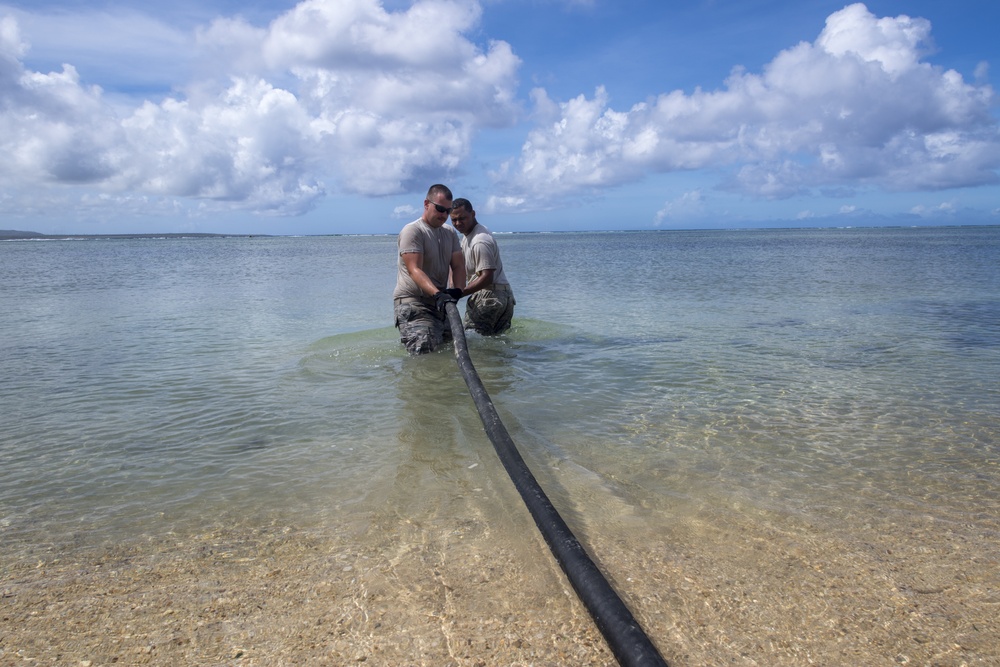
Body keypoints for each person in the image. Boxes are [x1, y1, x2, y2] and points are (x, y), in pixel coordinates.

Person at [392, 184, 466, 354]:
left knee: (451, 351)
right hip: (414, 303)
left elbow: (458, 265)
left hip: (441, 305)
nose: (444, 215)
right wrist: (438, 294)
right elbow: (414, 269)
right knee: (425, 355)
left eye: (448, 211)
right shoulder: (413, 231)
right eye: (440, 209)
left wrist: (457, 291)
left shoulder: (449, 233)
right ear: (426, 204)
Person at [449, 198, 515, 335]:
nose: (458, 223)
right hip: (504, 296)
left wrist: (458, 294)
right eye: (454, 220)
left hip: (489, 296)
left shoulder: (479, 241)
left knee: (474, 341)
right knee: (495, 343)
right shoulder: (472, 235)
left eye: (462, 218)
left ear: (473, 214)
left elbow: (487, 277)